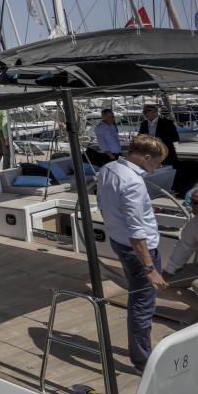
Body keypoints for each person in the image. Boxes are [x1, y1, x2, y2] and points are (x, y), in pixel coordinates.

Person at [95, 135, 169, 372]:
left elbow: (102, 204)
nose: (158, 167)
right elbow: (136, 232)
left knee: (138, 300)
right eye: (157, 162)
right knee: (142, 305)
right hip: (139, 251)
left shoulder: (108, 169)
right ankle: (143, 362)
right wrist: (150, 269)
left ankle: (141, 353)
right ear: (146, 157)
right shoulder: (134, 182)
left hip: (118, 241)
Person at [163, 183, 198, 286]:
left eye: (196, 202)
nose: (191, 205)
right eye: (191, 201)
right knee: (168, 283)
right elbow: (184, 246)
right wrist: (168, 272)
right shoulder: (194, 220)